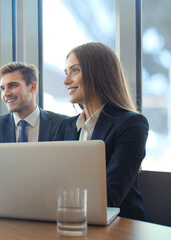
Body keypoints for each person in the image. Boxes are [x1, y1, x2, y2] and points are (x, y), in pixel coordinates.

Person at [54, 42, 149, 221]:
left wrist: (58, 196)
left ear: (98, 73)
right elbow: (51, 179)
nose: (66, 81)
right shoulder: (66, 126)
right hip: (76, 221)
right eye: (66, 72)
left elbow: (110, 195)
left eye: (75, 70)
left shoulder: (131, 124)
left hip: (123, 226)